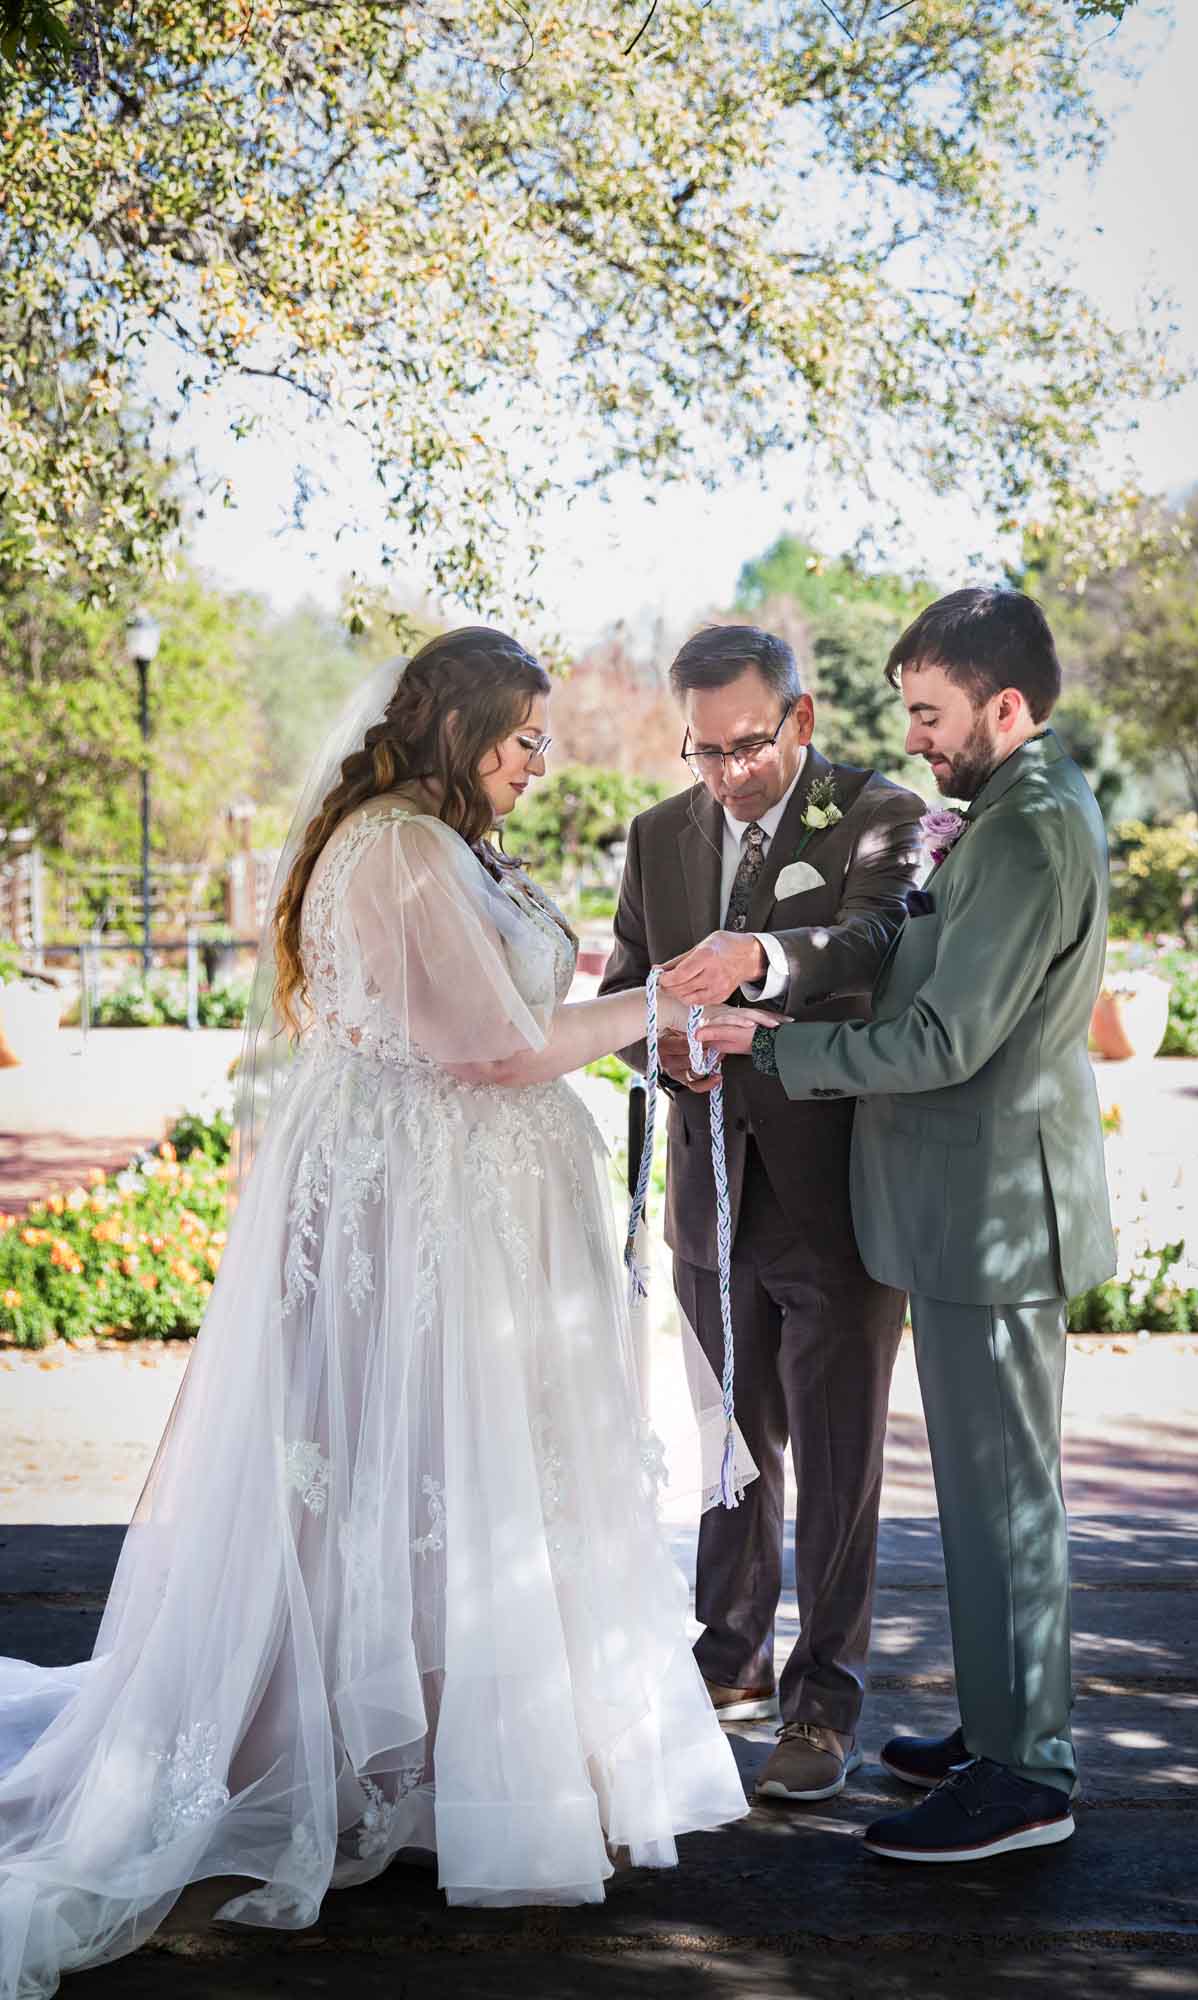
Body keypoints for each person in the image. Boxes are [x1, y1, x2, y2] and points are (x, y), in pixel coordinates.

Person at [0, 627, 776, 2000]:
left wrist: (639, 1027)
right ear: (465, 729)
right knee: (415, 1466)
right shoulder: (405, 849)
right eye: (525, 736)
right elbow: (483, 1048)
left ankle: (435, 1746)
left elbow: (490, 1020)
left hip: (456, 1208)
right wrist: (654, 1001)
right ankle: (411, 1764)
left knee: (437, 1472)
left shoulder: (433, 840)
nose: (540, 761)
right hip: (422, 1212)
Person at [698, 588, 1117, 1861]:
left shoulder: (1031, 829)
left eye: (931, 716)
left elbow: (944, 1036)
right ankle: (998, 1729)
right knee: (991, 1497)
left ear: (1005, 705)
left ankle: (1027, 1775)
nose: (918, 740)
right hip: (961, 1211)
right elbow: (915, 948)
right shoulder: (1001, 813)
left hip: (991, 1216)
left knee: (1006, 1501)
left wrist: (783, 1043)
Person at [600, 624, 925, 1805]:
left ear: (799, 720)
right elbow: (622, 987)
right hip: (707, 1190)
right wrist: (661, 1047)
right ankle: (726, 1657)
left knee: (838, 1455)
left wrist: (757, 956)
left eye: (747, 745)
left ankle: (822, 1700)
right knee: (728, 1442)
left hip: (835, 1191)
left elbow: (872, 946)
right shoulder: (655, 834)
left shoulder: (882, 814)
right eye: (703, 752)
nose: (727, 773)